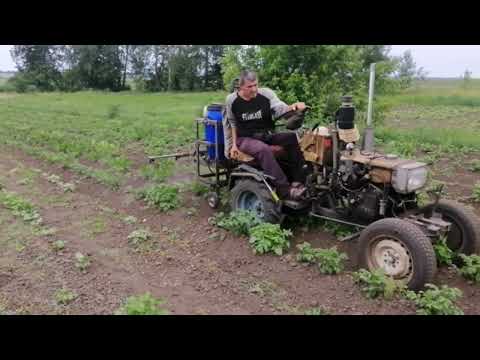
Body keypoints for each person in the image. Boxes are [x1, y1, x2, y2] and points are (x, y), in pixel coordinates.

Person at [224, 70, 307, 200]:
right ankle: (285, 190)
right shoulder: (232, 100)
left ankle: (298, 180)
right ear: (240, 87)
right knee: (263, 149)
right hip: (244, 139)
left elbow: (280, 108)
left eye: (256, 85)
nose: (254, 89)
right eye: (249, 86)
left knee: (291, 138)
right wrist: (232, 145)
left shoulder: (266, 94)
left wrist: (293, 107)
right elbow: (232, 123)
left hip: (265, 135)